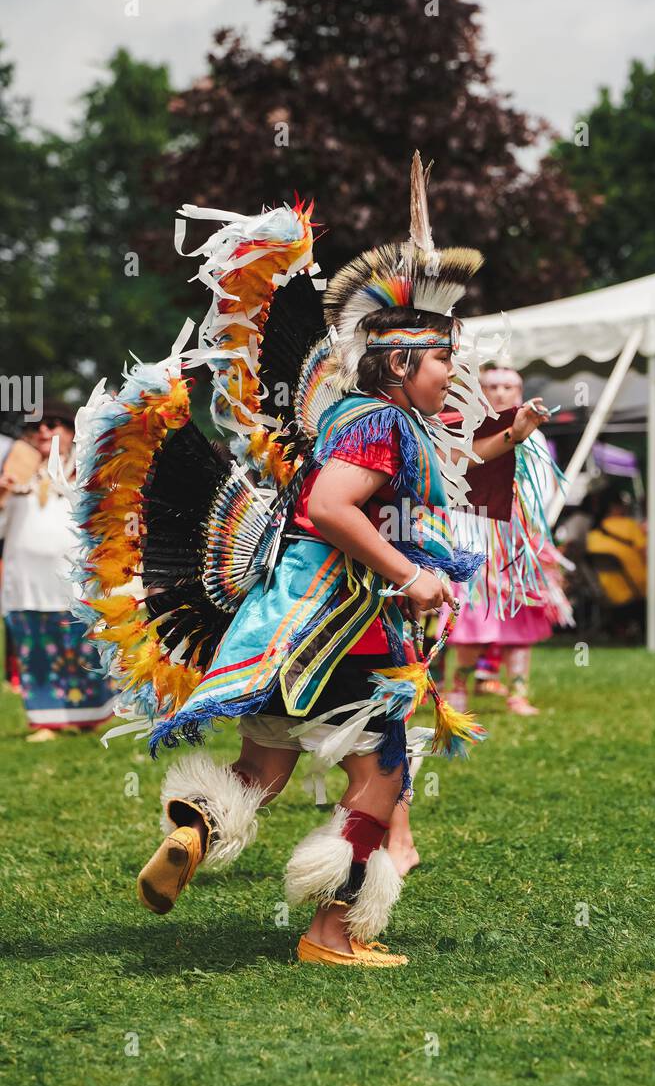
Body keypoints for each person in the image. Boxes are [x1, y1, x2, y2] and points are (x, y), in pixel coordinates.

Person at [70, 156, 548, 968]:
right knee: (385, 773)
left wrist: (511, 436)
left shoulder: (374, 422)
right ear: (400, 363)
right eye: (442, 363)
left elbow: (442, 480)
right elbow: (331, 507)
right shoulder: (377, 427)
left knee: (266, 766)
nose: (453, 378)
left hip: (288, 628)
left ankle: (194, 828)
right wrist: (409, 574)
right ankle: (332, 931)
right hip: (344, 630)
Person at [443, 365, 568, 717]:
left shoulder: (536, 435)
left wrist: (530, 528)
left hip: (520, 541)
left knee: (521, 617)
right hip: (476, 536)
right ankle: (458, 689)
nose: (500, 392)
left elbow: (543, 487)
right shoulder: (468, 429)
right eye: (493, 386)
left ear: (521, 390)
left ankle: (517, 694)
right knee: (471, 616)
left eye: (508, 386)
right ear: (481, 391)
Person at [1, 402, 116, 741]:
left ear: (71, 433)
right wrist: (4, 492)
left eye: (54, 425)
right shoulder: (16, 475)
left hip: (73, 581)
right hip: (25, 583)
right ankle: (45, 722)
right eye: (38, 426)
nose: (44, 431)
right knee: (36, 653)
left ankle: (90, 715)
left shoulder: (86, 474)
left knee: (81, 653)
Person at [585, 487, 648, 604]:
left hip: (607, 596)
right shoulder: (629, 525)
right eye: (622, 504)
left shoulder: (592, 536)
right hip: (638, 591)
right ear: (614, 506)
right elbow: (647, 555)